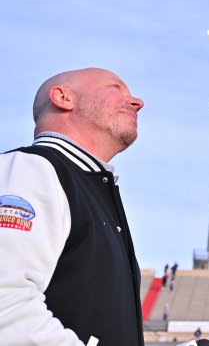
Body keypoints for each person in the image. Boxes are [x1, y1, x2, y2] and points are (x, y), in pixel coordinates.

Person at [0, 68, 145, 345]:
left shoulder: (94, 190)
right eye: (116, 88)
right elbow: (6, 303)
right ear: (63, 97)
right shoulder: (30, 168)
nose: (137, 102)